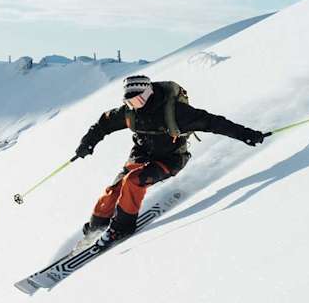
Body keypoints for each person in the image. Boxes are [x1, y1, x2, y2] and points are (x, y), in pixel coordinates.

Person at [74, 75, 266, 239]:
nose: (134, 106)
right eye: (129, 102)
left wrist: (246, 134)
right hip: (141, 154)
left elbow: (214, 123)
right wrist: (87, 144)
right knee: (115, 188)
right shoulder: (129, 112)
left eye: (137, 101)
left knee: (133, 181)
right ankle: (96, 227)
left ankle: (121, 229)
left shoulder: (176, 112)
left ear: (148, 93)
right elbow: (103, 124)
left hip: (170, 159)